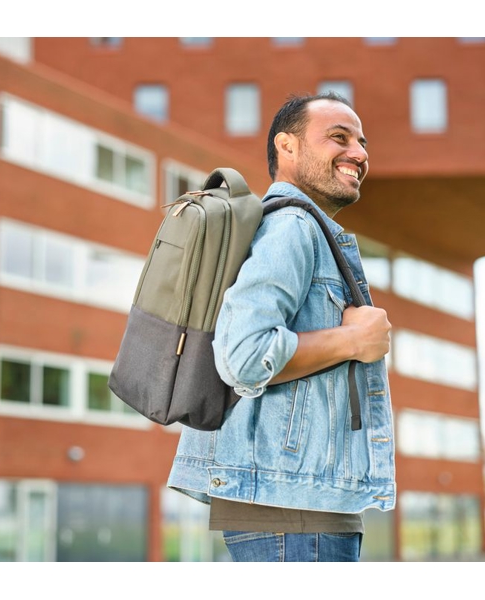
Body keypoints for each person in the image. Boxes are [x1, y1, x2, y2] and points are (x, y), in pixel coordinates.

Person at [167, 91, 396, 562]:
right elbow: (244, 357)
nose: (359, 153)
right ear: (286, 147)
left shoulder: (304, 229)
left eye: (362, 142)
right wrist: (354, 339)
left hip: (298, 502)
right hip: (292, 510)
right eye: (339, 137)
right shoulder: (292, 225)